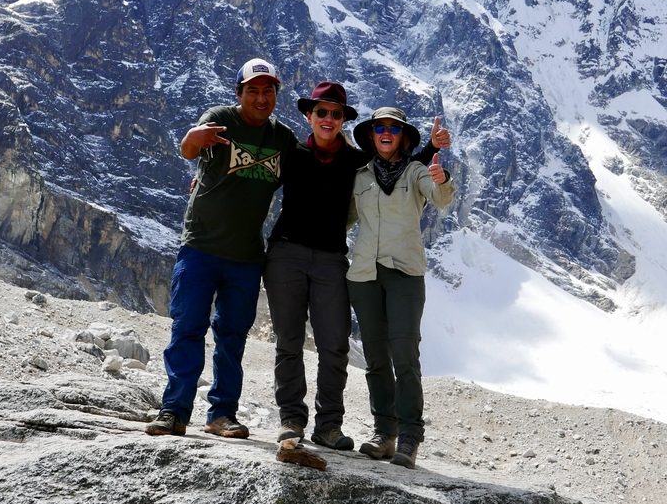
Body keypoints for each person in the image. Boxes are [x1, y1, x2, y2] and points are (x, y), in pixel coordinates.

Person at [264, 83, 450, 452]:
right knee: (307, 344)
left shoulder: (379, 167)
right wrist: (211, 181)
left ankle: (354, 428)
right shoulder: (319, 160)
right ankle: (305, 422)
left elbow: (417, 177)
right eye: (322, 113)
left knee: (357, 348)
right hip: (321, 263)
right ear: (310, 116)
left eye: (336, 114)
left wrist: (436, 157)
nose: (329, 119)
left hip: (364, 265)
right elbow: (260, 183)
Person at [147, 58, 296, 439]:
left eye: (268, 91)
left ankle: (221, 414)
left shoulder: (282, 139)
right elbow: (190, 147)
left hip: (246, 257)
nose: (261, 98)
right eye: (253, 91)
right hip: (201, 248)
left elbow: (310, 170)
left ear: (276, 94)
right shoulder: (221, 118)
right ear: (239, 94)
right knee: (188, 328)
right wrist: (189, 142)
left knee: (232, 336)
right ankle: (174, 411)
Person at [347, 106, 456, 469]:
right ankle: (384, 433)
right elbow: (342, 216)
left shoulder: (416, 171)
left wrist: (441, 179)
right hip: (363, 275)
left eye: (394, 128)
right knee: (376, 359)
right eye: (380, 127)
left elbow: (440, 199)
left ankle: (410, 436)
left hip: (405, 274)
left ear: (404, 136)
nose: (386, 132)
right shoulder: (359, 176)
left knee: (405, 356)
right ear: (371, 134)